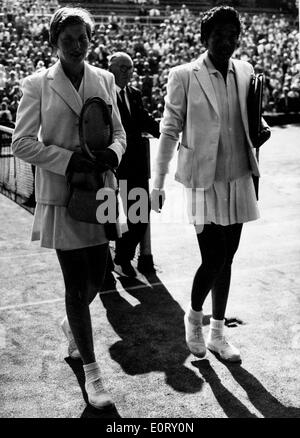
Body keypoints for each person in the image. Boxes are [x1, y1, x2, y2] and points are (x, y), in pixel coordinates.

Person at [12, 7, 126, 409]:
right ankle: (93, 374)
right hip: (62, 196)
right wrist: (67, 160)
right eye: (68, 40)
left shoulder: (106, 79)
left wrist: (112, 153)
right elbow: (22, 143)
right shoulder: (36, 85)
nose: (77, 47)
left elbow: (119, 134)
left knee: (100, 276)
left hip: (101, 191)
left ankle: (71, 323)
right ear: (53, 43)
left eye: (83, 39)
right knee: (76, 285)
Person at [151, 6, 270, 363]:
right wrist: (156, 182)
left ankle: (218, 333)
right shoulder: (184, 75)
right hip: (203, 181)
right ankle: (194, 314)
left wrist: (260, 126)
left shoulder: (246, 71)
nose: (227, 42)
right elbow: (169, 130)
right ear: (205, 38)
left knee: (228, 257)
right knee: (214, 256)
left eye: (233, 35)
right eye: (219, 35)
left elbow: (249, 116)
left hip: (239, 176)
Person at [106, 51, 160, 278]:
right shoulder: (100, 94)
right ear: (110, 68)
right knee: (107, 218)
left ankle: (122, 256)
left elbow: (146, 120)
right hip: (109, 168)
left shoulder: (134, 94)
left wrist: (168, 135)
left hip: (135, 166)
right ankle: (107, 264)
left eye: (130, 68)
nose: (129, 72)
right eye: (123, 68)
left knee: (139, 217)